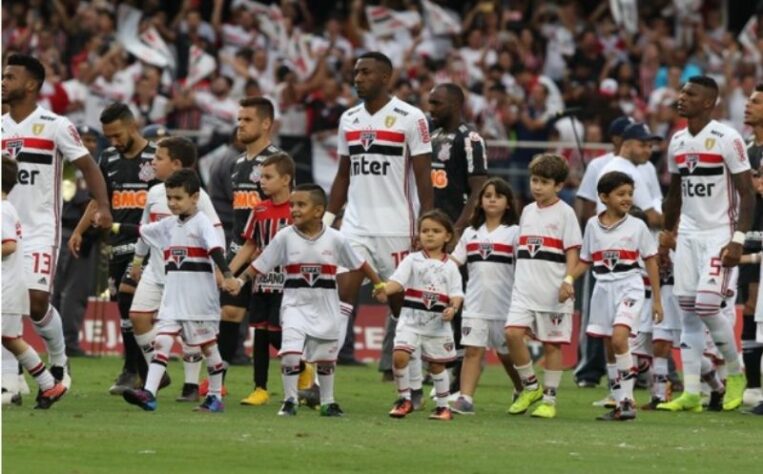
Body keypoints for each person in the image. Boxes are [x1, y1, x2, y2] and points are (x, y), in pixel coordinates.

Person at [326, 52, 433, 402]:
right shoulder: (349, 119)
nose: (357, 78)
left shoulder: (410, 118)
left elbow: (422, 176)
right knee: (342, 295)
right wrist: (328, 222)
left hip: (397, 227)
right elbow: (343, 175)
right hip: (355, 225)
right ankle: (321, 383)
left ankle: (414, 382)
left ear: (386, 77)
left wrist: (428, 224)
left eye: (366, 72)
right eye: (356, 72)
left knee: (401, 305)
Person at [2, 53, 112, 389]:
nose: (3, 82)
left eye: (10, 77)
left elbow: (89, 167)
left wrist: (103, 206)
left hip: (39, 229)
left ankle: (60, 361)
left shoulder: (56, 124)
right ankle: (11, 380)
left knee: (36, 303)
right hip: (4, 227)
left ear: (31, 84)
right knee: (5, 305)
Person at [229, 184, 384, 417]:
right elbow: (260, 264)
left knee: (326, 359)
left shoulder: (335, 239)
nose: (294, 210)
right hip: (294, 304)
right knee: (290, 353)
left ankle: (328, 402)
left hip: (326, 306)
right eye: (292, 205)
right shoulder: (284, 237)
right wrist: (240, 281)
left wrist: (379, 284)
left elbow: (360, 264)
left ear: (318, 211)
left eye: (301, 205)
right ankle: (289, 401)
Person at [658, 75, 755, 412]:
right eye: (682, 91)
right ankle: (691, 393)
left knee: (707, 306)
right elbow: (674, 193)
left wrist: (738, 240)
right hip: (687, 235)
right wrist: (666, 235)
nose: (682, 97)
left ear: (708, 102)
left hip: (719, 234)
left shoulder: (727, 139)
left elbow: (747, 192)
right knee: (687, 311)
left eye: (690, 94)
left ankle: (735, 373)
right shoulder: (677, 141)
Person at [118, 169, 238, 412]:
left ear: (194, 198)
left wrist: (226, 275)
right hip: (174, 299)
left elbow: (215, 249)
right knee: (162, 341)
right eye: (169, 198)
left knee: (208, 348)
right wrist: (111, 226)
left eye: (178, 198)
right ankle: (149, 394)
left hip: (199, 301)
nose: (172, 203)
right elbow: (140, 230)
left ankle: (215, 396)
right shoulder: (168, 224)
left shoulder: (202, 222)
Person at [68, 102, 159, 395]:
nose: (115, 142)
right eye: (110, 137)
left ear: (132, 126)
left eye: (118, 135)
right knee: (123, 307)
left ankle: (136, 371)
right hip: (117, 243)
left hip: (148, 244)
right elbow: (99, 199)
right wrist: (80, 230)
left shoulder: (157, 157)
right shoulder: (107, 158)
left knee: (133, 306)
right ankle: (142, 371)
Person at [128, 137, 225, 402]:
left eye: (158, 158)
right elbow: (143, 229)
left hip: (194, 283)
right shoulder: (156, 196)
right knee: (149, 327)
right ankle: (152, 388)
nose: (152, 162)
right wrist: (136, 259)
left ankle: (202, 388)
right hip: (164, 274)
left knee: (203, 343)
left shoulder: (200, 202)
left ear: (177, 163)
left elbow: (215, 236)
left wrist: (222, 270)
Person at [564, 172, 663, 421]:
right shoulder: (592, 226)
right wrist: (567, 280)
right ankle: (619, 402)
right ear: (604, 197)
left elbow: (651, 262)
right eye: (621, 194)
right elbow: (586, 260)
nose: (627, 198)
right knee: (610, 346)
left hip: (629, 286)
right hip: (603, 288)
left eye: (629, 193)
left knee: (620, 339)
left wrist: (658, 301)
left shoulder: (638, 226)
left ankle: (628, 402)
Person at [504, 153, 583, 419]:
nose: (537, 186)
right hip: (524, 289)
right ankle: (531, 386)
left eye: (544, 182)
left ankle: (549, 399)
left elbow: (573, 251)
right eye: (534, 180)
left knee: (552, 345)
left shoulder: (566, 213)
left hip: (553, 291)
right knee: (512, 334)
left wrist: (568, 280)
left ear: (558, 185)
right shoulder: (527, 211)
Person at [215, 97, 286, 391]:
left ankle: (307, 371)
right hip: (240, 248)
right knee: (230, 313)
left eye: (247, 120)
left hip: (269, 255)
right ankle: (217, 381)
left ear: (266, 124)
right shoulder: (236, 164)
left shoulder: (278, 162)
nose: (240, 125)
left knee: (272, 329)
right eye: (238, 120)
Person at [428, 82, 488, 393]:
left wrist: (458, 230)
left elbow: (478, 189)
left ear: (454, 104)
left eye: (436, 103)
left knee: (457, 301)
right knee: (433, 297)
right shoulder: (432, 136)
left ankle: (458, 370)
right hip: (433, 231)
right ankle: (438, 363)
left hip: (456, 233)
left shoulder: (470, 139)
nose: (431, 109)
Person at [377, 210, 464, 421]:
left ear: (447, 236)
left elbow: (457, 295)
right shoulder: (412, 260)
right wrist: (385, 289)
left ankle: (443, 407)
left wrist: (452, 309)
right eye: (425, 231)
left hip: (437, 326)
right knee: (400, 357)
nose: (430, 235)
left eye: (436, 231)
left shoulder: (451, 266)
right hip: (410, 321)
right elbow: (397, 282)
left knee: (436, 366)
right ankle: (404, 399)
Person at [449, 178, 523, 414]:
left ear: (508, 204)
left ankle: (523, 389)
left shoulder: (515, 233)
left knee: (507, 355)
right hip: (474, 304)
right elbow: (453, 263)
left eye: (498, 195)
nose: (492, 199)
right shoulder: (470, 233)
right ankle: (466, 399)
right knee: (473, 351)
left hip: (505, 306)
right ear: (479, 202)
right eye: (487, 195)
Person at [227, 153, 294, 406]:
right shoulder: (260, 209)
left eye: (268, 177)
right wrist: (228, 273)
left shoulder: (298, 208)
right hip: (262, 281)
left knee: (279, 335)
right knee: (261, 334)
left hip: (290, 284)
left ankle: (302, 366)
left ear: (286, 179)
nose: (262, 182)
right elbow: (249, 245)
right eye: (261, 176)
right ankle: (260, 388)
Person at [2, 156, 67, 409]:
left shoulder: (3, 210)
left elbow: (8, 245)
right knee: (11, 340)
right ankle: (50, 385)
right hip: (8, 286)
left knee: (11, 340)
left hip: (5, 289)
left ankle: (48, 383)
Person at [572, 115, 632, 388]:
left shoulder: (641, 167)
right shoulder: (598, 164)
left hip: (628, 249)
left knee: (627, 320)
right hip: (600, 245)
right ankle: (589, 369)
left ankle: (628, 373)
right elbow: (584, 201)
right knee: (595, 315)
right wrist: (582, 235)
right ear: (617, 139)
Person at [741, 84, 763, 408]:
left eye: (757, 101)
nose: (749, 105)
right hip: (748, 236)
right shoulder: (746, 150)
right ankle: (751, 386)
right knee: (749, 309)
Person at [596, 123, 663, 228]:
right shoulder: (627, 171)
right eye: (642, 145)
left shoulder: (613, 166)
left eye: (650, 146)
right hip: (624, 238)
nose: (648, 151)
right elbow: (652, 218)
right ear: (626, 146)